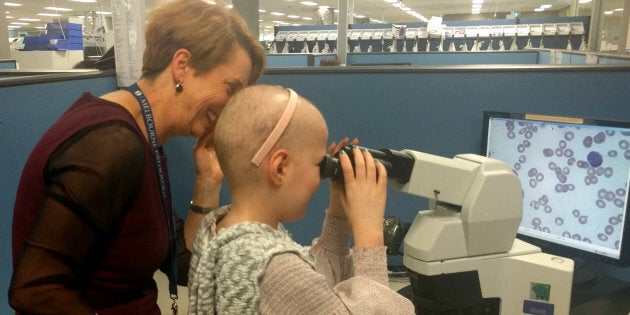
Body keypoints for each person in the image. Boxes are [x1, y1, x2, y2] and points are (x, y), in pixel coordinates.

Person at [8, 0, 265, 314]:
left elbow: (181, 266)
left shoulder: (143, 136)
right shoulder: (110, 142)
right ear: (182, 65)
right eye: (231, 88)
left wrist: (208, 180)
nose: (232, 107)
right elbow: (35, 291)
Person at [188, 85, 415, 314]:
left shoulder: (218, 231)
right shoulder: (275, 268)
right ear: (280, 168)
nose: (321, 177)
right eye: (319, 164)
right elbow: (297, 285)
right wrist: (370, 237)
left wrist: (338, 214)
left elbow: (311, 294)